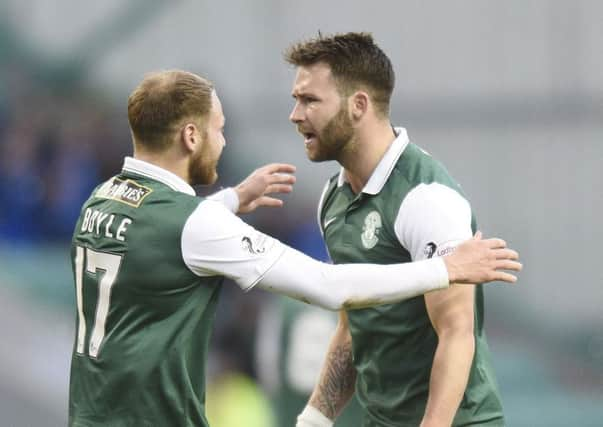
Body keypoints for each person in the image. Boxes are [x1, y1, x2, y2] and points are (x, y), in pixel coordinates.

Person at [68, 70, 521, 426]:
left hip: (90, 414)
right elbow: (328, 287)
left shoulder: (102, 198)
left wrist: (231, 200)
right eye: (218, 130)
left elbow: (164, 230)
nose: (223, 143)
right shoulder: (196, 223)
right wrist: (447, 268)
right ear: (191, 136)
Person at [286, 33, 512, 427]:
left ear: (358, 105)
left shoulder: (425, 197)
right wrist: (315, 418)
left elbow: (456, 335)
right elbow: (352, 324)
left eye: (310, 100)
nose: (296, 114)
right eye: (296, 100)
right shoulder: (333, 199)